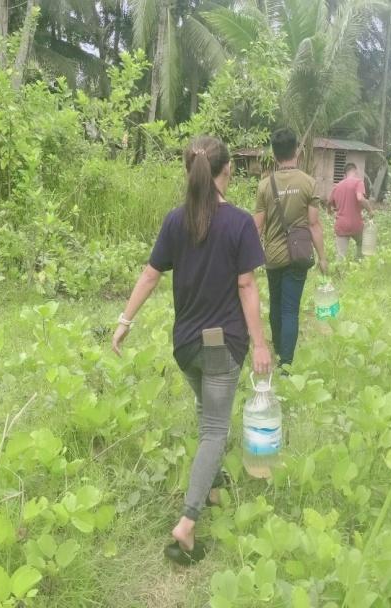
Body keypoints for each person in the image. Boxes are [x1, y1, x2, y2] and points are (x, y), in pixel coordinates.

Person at [111, 136, 272, 566]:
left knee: (207, 417)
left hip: (186, 347)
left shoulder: (174, 221)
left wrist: (124, 322)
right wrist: (260, 344)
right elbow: (246, 284)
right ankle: (187, 523)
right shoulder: (238, 223)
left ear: (190, 171)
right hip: (222, 346)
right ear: (228, 170)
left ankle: (214, 490)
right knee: (215, 430)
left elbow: (149, 275)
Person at [254, 128, 328, 368]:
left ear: (274, 155)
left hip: (273, 257)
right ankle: (286, 364)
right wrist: (323, 257)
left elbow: (257, 226)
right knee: (290, 310)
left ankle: (277, 351)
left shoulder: (265, 185)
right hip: (298, 256)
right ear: (297, 150)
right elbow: (314, 224)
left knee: (275, 306)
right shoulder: (308, 183)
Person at [328, 162, 374, 260]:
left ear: (345, 174)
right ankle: (358, 263)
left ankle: (338, 273)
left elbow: (329, 202)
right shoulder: (358, 182)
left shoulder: (337, 186)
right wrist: (370, 210)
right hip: (356, 224)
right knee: (362, 243)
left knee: (340, 255)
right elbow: (360, 198)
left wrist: (329, 211)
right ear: (355, 171)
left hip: (341, 225)